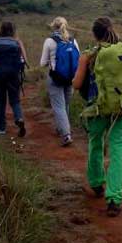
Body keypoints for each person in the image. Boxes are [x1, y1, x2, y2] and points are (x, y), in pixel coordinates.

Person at [72, 17, 122, 217]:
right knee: (119, 150)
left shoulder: (88, 56)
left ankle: (96, 183)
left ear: (94, 35)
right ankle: (114, 199)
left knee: (95, 143)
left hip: (97, 109)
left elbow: (76, 85)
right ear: (111, 31)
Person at [40, 16, 79, 147]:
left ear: (53, 26)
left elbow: (42, 63)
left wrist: (51, 62)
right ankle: (62, 128)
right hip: (71, 78)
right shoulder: (73, 40)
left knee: (59, 106)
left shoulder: (50, 41)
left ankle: (66, 134)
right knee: (65, 105)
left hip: (56, 78)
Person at [0, 21, 28, 137]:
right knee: (15, 100)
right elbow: (24, 59)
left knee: (1, 101)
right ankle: (19, 118)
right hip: (13, 74)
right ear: (13, 31)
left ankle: (1, 129)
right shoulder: (16, 42)